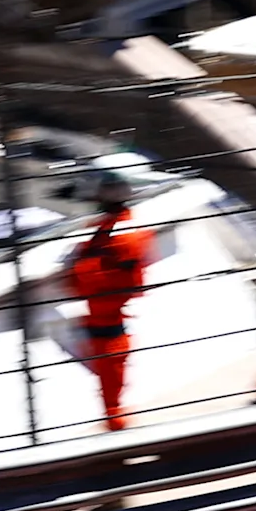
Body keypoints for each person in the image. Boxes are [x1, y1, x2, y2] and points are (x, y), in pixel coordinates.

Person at [65, 169, 153, 432]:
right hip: (100, 313)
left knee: (111, 366)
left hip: (108, 314)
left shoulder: (123, 235)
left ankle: (115, 418)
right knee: (107, 367)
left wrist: (79, 271)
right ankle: (113, 415)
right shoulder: (110, 229)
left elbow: (117, 278)